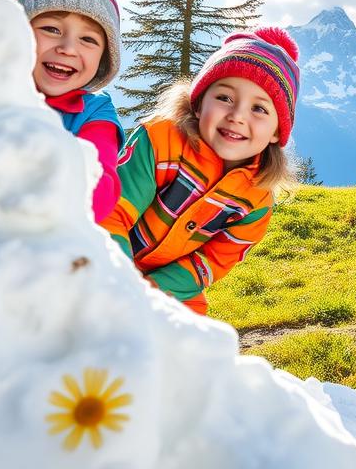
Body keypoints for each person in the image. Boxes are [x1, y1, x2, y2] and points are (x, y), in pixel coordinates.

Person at [101, 28, 300, 314]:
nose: (237, 116)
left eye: (259, 109)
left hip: (169, 287)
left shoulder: (256, 201)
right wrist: (119, 281)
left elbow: (209, 262)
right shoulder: (160, 141)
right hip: (102, 256)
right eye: (225, 98)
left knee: (193, 343)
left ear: (276, 132)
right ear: (198, 103)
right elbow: (112, 211)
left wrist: (149, 292)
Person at [8, 0, 125, 224]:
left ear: (104, 57)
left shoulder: (95, 115)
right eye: (51, 28)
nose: (69, 48)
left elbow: (99, 195)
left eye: (88, 38)